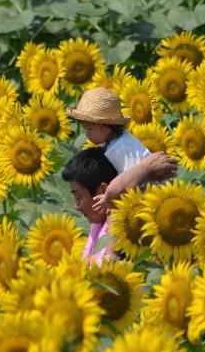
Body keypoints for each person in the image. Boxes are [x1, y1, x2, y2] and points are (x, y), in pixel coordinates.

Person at [66, 87, 177, 215]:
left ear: (104, 126)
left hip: (152, 201)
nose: (86, 134)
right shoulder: (114, 143)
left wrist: (108, 198)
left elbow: (132, 179)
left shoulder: (121, 148)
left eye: (90, 129)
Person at [61, 147, 120, 266]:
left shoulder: (121, 230)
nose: (75, 206)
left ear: (103, 191)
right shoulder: (98, 224)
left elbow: (110, 263)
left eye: (78, 197)